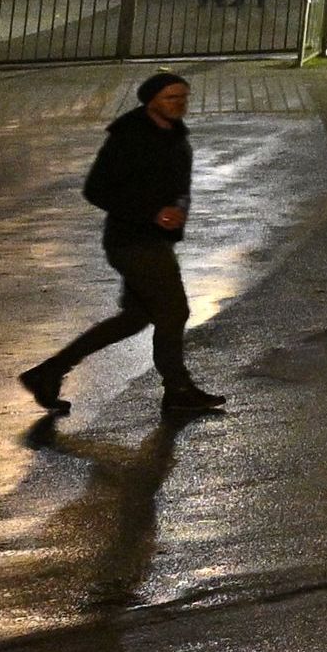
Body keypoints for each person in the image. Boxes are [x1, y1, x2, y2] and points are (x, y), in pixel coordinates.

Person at [24, 71, 227, 417]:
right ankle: (177, 388)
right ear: (151, 101)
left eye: (183, 97)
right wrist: (152, 213)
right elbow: (96, 189)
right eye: (170, 98)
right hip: (132, 242)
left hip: (154, 240)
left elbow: (178, 188)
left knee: (134, 318)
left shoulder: (175, 135)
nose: (179, 104)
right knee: (173, 310)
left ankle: (48, 372)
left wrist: (177, 209)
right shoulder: (128, 137)